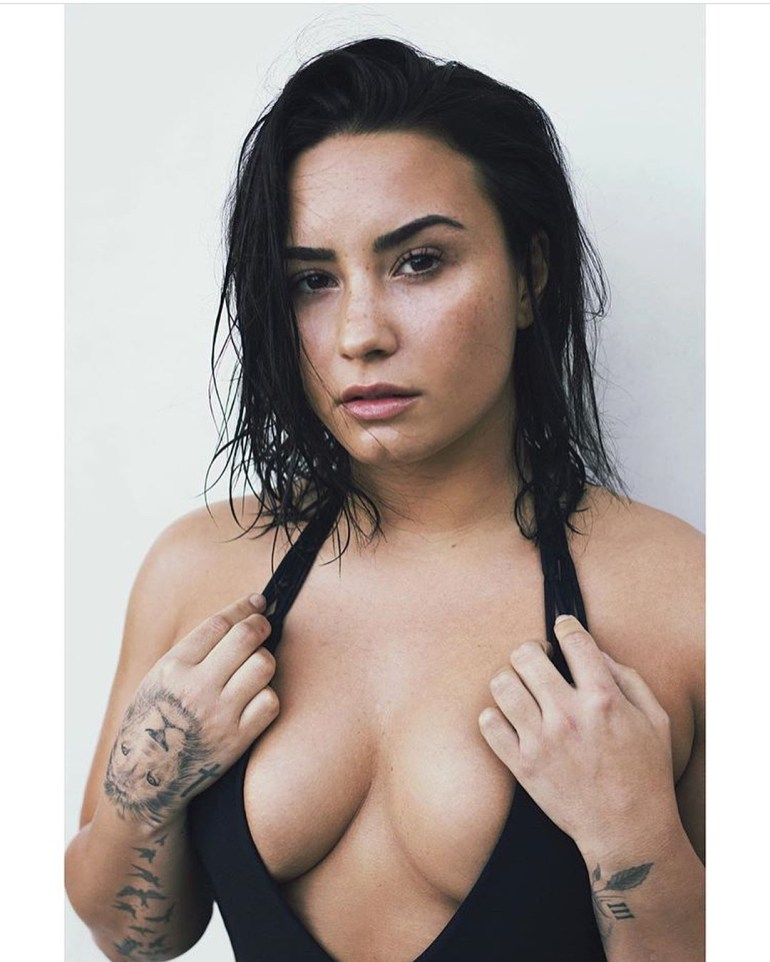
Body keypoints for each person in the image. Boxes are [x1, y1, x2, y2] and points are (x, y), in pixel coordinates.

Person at [65, 38, 704, 962]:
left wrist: (633, 834)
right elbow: (136, 940)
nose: (359, 333)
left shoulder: (682, 596)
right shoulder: (197, 571)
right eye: (312, 281)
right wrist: (144, 790)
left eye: (420, 262)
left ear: (529, 274)